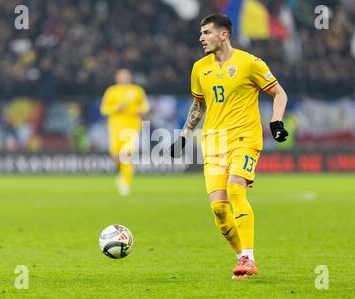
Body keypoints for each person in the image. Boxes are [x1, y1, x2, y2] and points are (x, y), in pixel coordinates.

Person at [170, 13, 289, 279]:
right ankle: (241, 259)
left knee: (236, 190)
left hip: (245, 139)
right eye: (201, 34)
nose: (201, 38)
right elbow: (199, 105)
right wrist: (184, 136)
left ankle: (249, 256)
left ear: (223, 34)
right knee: (220, 211)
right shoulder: (199, 68)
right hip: (213, 143)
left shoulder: (250, 63)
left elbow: (279, 92)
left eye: (207, 33)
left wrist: (276, 123)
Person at [100, 69, 150, 196]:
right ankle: (121, 174)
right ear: (117, 78)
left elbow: (145, 106)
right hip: (115, 127)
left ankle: (125, 183)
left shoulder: (137, 90)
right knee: (115, 155)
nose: (123, 78)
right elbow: (104, 110)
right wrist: (116, 108)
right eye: (121, 76)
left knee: (127, 155)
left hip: (131, 127)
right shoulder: (111, 91)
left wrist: (138, 110)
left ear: (130, 77)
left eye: (125, 76)